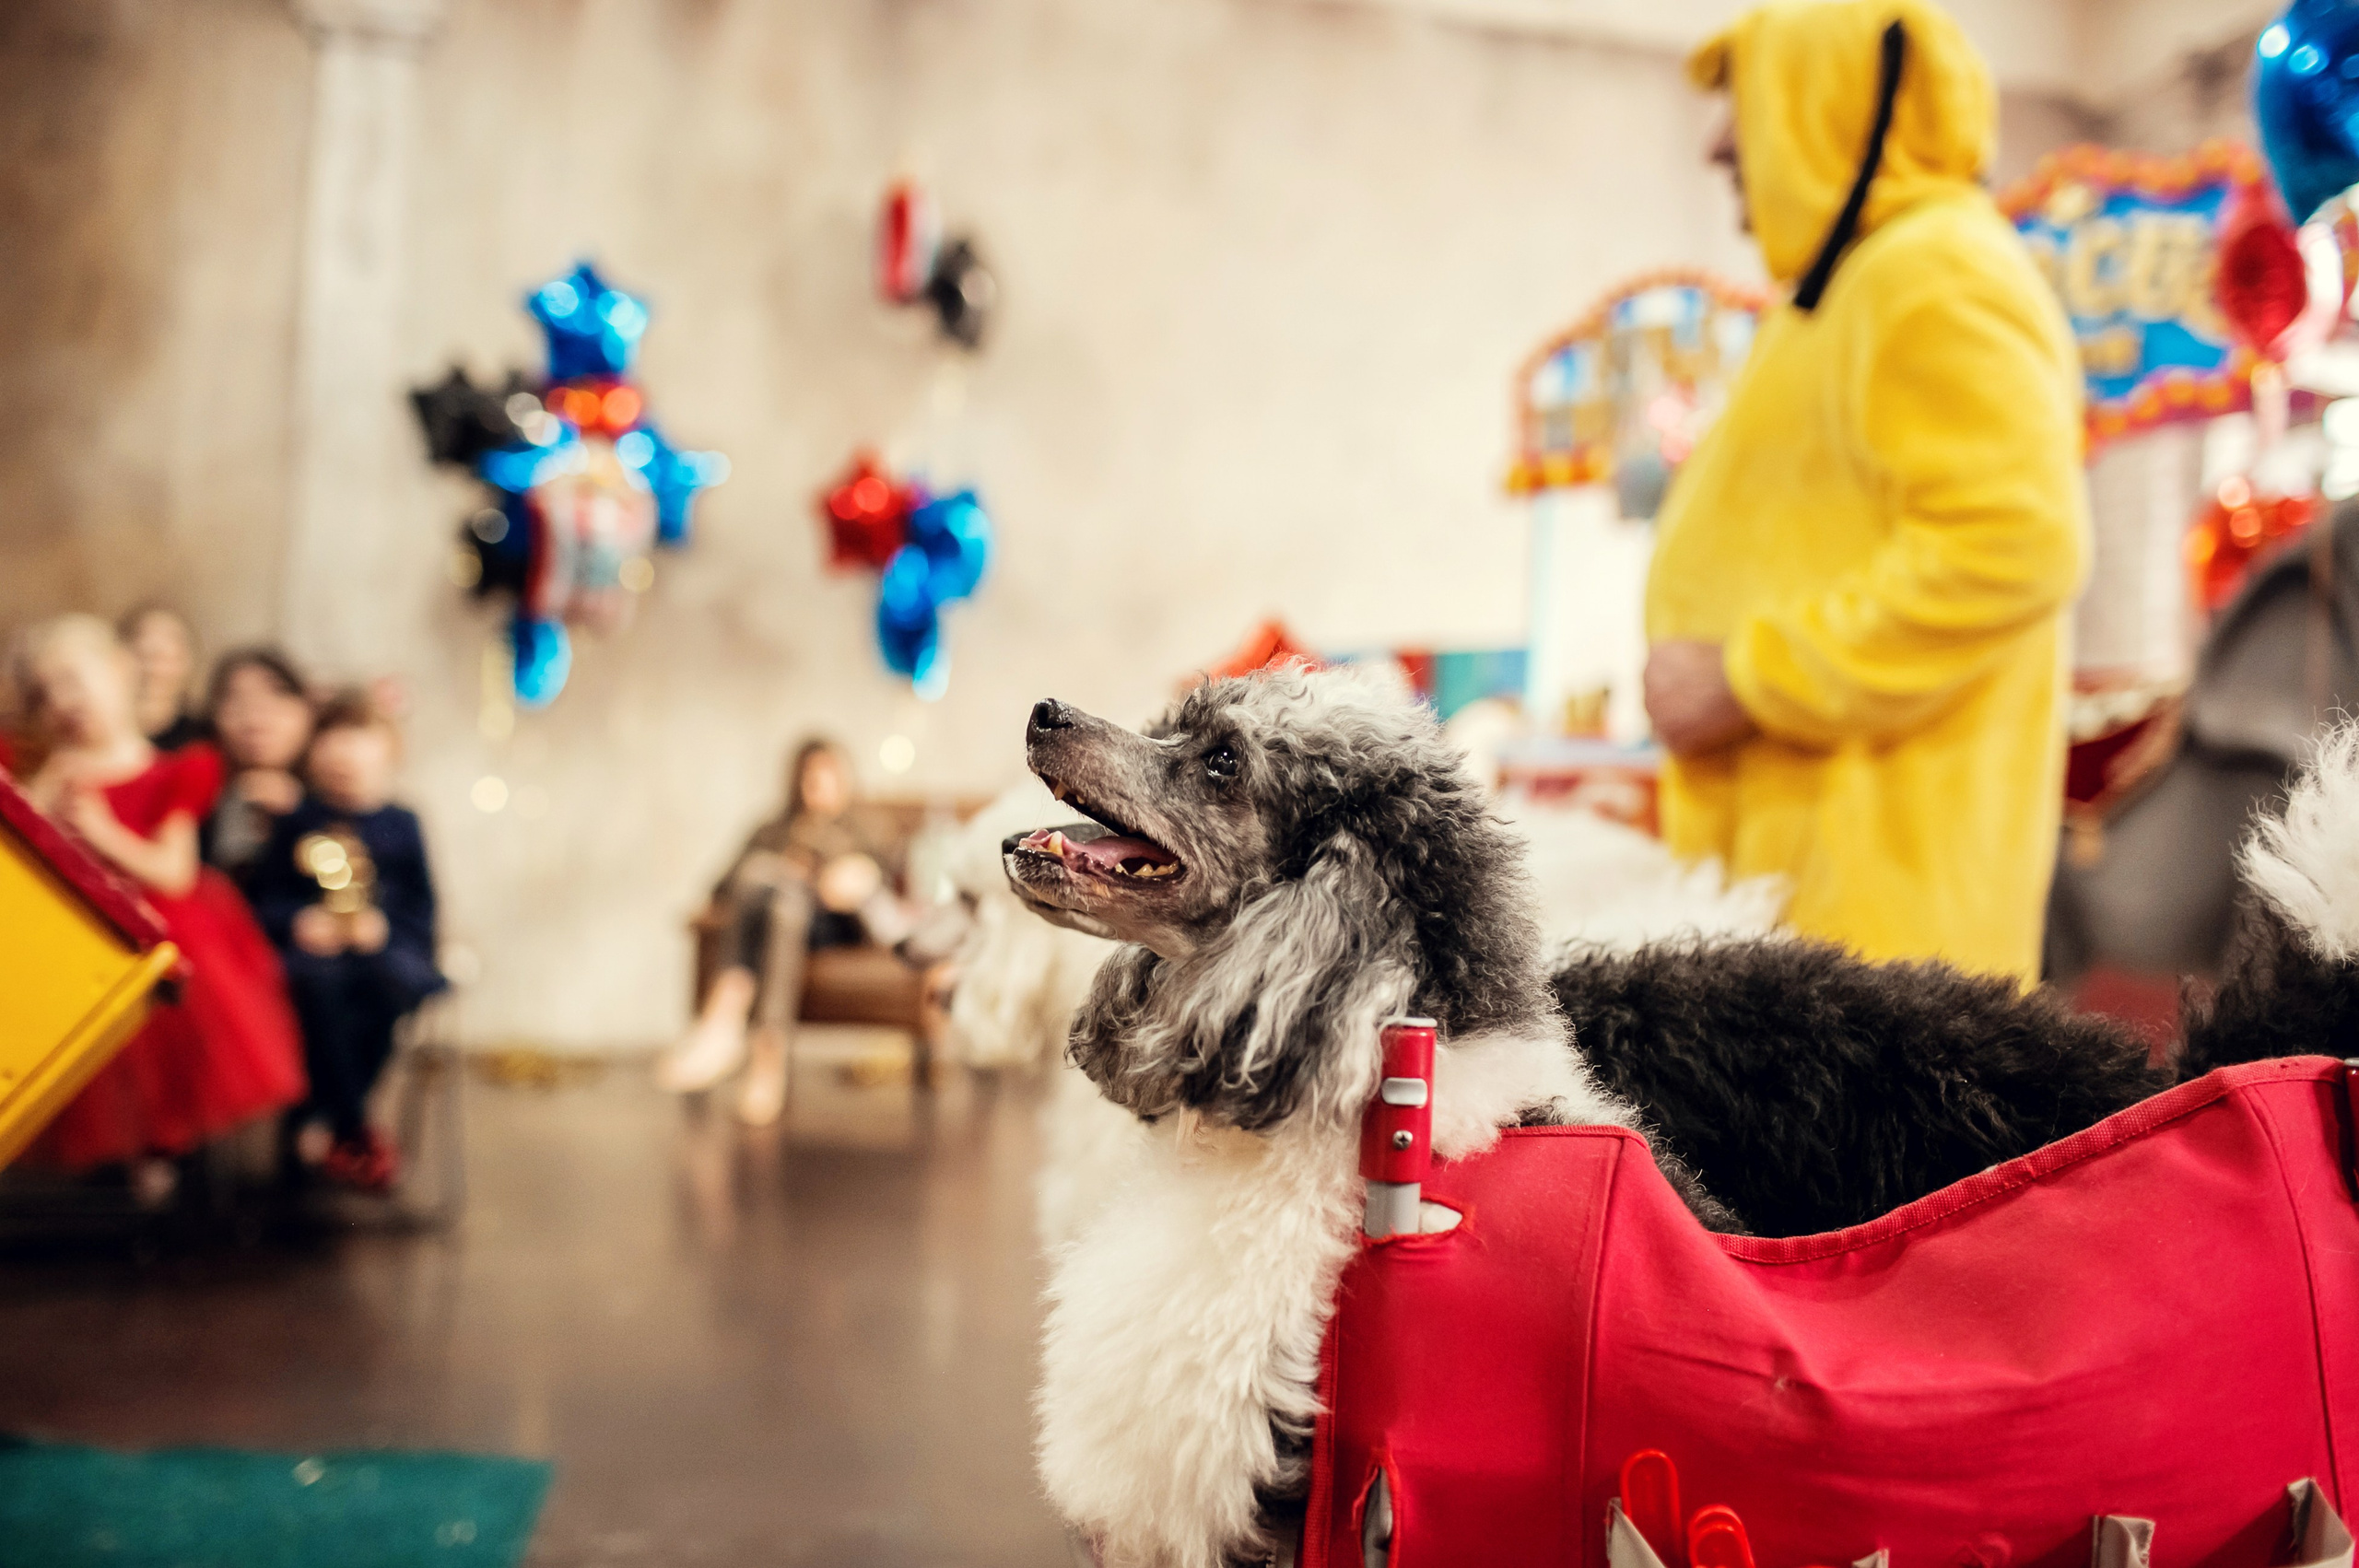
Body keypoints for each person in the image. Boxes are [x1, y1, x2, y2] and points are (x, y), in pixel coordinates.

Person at [1642, 0, 2088, 982]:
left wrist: (1747, 678)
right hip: (1822, 923)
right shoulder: (1858, 285)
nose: (1721, 147)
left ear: (1834, 107)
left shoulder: (1933, 273)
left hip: (1876, 942)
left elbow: (2011, 545)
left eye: (1750, 106)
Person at [5, 614, 306, 1202]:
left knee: (168, 1016)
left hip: (159, 929)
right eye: (46, 693)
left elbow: (174, 872)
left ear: (119, 673)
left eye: (73, 680)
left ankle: (158, 1154)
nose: (64, 702)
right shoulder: (47, 771)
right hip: (73, 934)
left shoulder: (173, 768)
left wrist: (97, 831)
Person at [245, 689, 446, 1190]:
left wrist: (382, 926)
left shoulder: (403, 824)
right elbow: (266, 901)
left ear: (389, 756)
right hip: (315, 958)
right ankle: (355, 1126)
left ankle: (321, 1118)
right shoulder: (298, 821)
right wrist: (299, 921)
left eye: (358, 748)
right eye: (331, 747)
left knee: (389, 988)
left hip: (383, 954)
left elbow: (423, 908)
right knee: (317, 989)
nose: (343, 762)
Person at [660, 738, 911, 1125]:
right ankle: (764, 1053)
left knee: (768, 879)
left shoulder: (867, 825)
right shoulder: (773, 828)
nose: (818, 784)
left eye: (827, 774)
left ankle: (725, 1020)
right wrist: (788, 869)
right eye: (810, 775)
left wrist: (853, 872)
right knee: (780, 900)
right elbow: (724, 885)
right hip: (784, 924)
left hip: (836, 927)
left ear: (843, 778)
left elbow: (889, 876)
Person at [203, 647, 314, 883]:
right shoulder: (199, 797)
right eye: (237, 702)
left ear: (307, 710)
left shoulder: (340, 796)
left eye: (275, 700)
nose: (255, 722)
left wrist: (300, 813)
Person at [120, 603, 206, 752]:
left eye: (165, 658)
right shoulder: (96, 734)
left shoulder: (204, 738)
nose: (153, 671)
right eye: (143, 657)